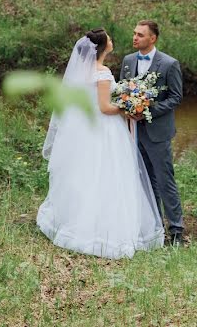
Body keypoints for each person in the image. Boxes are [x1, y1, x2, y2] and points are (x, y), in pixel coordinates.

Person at [37, 28, 164, 259]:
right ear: (103, 46)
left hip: (86, 129)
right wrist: (128, 108)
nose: (112, 40)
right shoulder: (102, 72)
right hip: (105, 130)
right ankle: (104, 231)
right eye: (109, 39)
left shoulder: (81, 73)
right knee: (109, 175)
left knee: (86, 175)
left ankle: (73, 221)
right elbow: (105, 108)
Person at [120, 20, 185, 246]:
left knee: (165, 180)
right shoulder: (128, 61)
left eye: (140, 35)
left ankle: (177, 231)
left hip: (157, 132)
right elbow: (122, 89)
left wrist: (147, 110)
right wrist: (128, 108)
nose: (135, 37)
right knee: (145, 180)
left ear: (152, 38)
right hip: (134, 132)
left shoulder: (169, 64)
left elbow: (176, 97)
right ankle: (154, 227)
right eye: (134, 33)